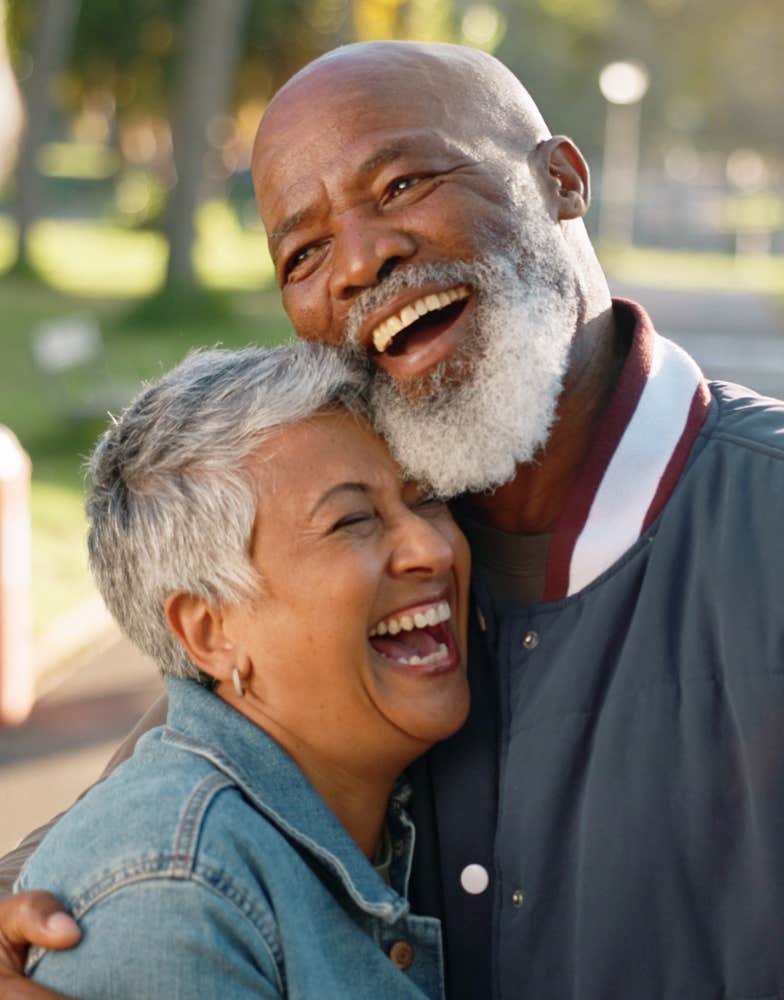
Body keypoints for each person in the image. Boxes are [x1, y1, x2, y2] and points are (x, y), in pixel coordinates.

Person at [3, 39, 784, 998]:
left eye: (403, 184)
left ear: (562, 182)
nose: (362, 260)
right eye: (305, 252)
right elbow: (172, 799)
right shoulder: (336, 594)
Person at [12, 342, 471, 997]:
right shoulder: (175, 895)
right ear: (210, 631)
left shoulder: (393, 812)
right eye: (352, 521)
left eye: (425, 500)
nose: (432, 548)